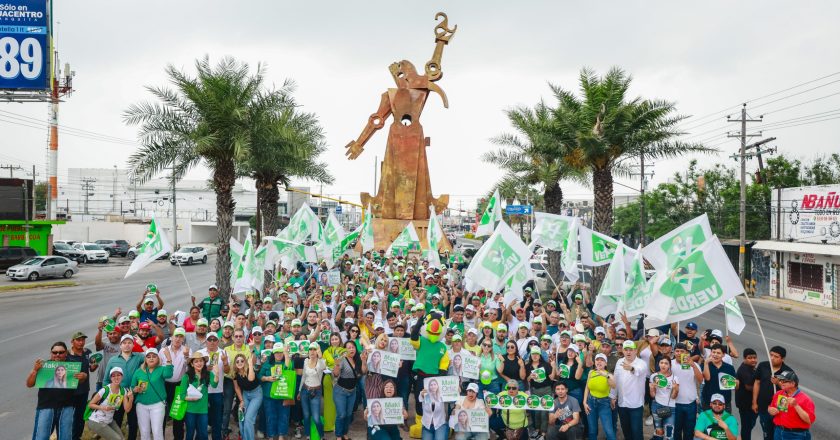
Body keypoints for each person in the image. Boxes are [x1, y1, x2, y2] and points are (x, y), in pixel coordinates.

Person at [28, 342, 76, 440]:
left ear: (66, 353)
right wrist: (35, 370)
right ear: (51, 353)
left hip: (66, 407)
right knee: (41, 437)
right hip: (46, 407)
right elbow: (29, 384)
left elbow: (81, 381)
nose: (57, 355)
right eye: (55, 352)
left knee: (66, 437)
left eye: (61, 352)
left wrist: (83, 377)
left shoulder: (72, 367)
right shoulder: (43, 366)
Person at [106, 335, 145, 440]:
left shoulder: (138, 357)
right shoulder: (113, 360)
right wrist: (107, 394)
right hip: (117, 395)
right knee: (116, 421)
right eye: (124, 343)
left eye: (129, 343)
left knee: (133, 422)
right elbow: (106, 379)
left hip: (133, 394)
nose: (127, 345)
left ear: (133, 345)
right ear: (120, 345)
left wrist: (142, 345)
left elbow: (152, 356)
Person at [130, 348, 174, 440]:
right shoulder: (139, 371)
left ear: (158, 358)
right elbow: (132, 387)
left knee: (157, 431)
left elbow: (169, 374)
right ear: (145, 359)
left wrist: (169, 358)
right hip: (141, 405)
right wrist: (135, 389)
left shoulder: (161, 369)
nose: (151, 359)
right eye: (148, 357)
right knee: (144, 431)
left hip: (157, 404)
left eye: (154, 356)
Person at [753, 346, 793, 440]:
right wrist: (754, 402)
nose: (772, 358)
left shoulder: (788, 372)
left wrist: (778, 383)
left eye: (776, 356)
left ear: (782, 358)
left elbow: (791, 391)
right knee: (767, 433)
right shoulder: (763, 366)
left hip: (779, 408)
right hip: (764, 407)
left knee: (778, 435)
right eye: (771, 355)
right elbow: (757, 383)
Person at [86, 367, 135, 440]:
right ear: (110, 378)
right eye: (113, 376)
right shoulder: (105, 390)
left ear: (122, 377)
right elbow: (90, 404)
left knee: (122, 439)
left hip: (109, 420)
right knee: (117, 439)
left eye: (118, 375)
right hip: (96, 421)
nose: (116, 378)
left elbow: (127, 409)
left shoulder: (123, 391)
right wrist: (103, 408)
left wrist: (131, 398)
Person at [767, 370, 815, 439]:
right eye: (780, 380)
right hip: (779, 431)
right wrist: (770, 410)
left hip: (796, 435)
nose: (781, 382)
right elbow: (772, 408)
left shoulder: (805, 399)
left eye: (784, 381)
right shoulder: (779, 394)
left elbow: (809, 420)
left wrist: (796, 406)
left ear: (792, 383)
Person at [614, 340, 646, 440]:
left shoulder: (641, 363)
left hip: (635, 404)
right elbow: (615, 380)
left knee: (637, 433)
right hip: (622, 403)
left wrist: (631, 368)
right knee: (626, 431)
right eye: (626, 350)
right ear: (623, 351)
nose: (628, 352)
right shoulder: (619, 362)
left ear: (636, 351)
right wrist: (612, 396)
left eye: (631, 350)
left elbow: (639, 370)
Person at [162, 328, 191, 440]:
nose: (178, 339)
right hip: (164, 386)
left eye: (181, 336)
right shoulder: (163, 350)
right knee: (162, 416)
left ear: (183, 339)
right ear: (172, 337)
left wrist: (187, 356)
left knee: (178, 417)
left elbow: (189, 369)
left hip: (179, 386)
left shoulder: (187, 350)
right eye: (176, 336)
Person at [260, 344, 293, 440]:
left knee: (284, 415)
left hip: (283, 394)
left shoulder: (287, 362)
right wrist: (267, 378)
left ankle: (281, 436)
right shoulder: (267, 363)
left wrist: (286, 353)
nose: (279, 354)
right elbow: (260, 376)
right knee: (270, 416)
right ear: (273, 353)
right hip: (269, 395)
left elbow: (288, 368)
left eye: (280, 352)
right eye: (276, 352)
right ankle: (271, 436)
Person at [671, 342, 702, 440]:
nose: (679, 353)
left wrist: (693, 365)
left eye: (682, 351)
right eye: (677, 351)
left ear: (687, 353)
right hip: (674, 403)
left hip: (690, 404)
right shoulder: (670, 364)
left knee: (689, 431)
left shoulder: (694, 365)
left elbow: (701, 380)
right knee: (676, 431)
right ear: (674, 352)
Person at [332, 340, 362, 440]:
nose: (351, 349)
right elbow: (336, 374)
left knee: (349, 415)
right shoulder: (342, 359)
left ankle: (344, 433)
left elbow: (363, 372)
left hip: (352, 391)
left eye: (353, 347)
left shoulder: (358, 359)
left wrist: (364, 360)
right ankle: (338, 436)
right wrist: (336, 364)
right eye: (348, 347)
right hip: (340, 391)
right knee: (341, 414)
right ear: (345, 349)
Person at [67, 331, 94, 440]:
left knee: (80, 416)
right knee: (68, 416)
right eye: (78, 340)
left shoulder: (88, 352)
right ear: (72, 342)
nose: (81, 342)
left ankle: (77, 436)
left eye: (83, 340)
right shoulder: (67, 355)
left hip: (83, 390)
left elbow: (91, 368)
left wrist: (93, 367)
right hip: (70, 391)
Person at [583, 353, 616, 440]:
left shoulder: (609, 375)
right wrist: (584, 402)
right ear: (594, 362)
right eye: (597, 360)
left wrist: (606, 376)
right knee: (592, 430)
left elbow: (613, 386)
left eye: (602, 360)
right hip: (590, 402)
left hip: (604, 403)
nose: (599, 362)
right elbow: (587, 388)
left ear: (606, 363)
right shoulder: (591, 372)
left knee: (608, 430)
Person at [232, 354, 262, 440]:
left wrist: (250, 364)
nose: (240, 363)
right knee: (242, 415)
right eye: (237, 361)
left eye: (242, 361)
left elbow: (251, 379)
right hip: (245, 394)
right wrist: (241, 401)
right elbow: (237, 388)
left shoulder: (249, 369)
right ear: (235, 364)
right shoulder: (235, 374)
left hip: (256, 394)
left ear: (245, 362)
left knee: (249, 418)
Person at [702, 344, 738, 412]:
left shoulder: (729, 368)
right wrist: (706, 363)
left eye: (718, 353)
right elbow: (707, 378)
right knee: (709, 422)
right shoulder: (706, 365)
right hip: (709, 402)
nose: (715, 355)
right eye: (713, 352)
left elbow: (735, 386)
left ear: (723, 355)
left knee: (724, 422)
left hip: (724, 402)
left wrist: (736, 383)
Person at [301, 344, 327, 440]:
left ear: (317, 351)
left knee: (316, 418)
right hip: (305, 390)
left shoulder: (320, 362)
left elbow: (324, 367)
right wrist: (299, 391)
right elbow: (303, 376)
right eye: (310, 349)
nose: (312, 351)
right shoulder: (305, 361)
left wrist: (320, 355)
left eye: (314, 349)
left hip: (316, 392)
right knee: (306, 416)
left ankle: (321, 436)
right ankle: (307, 436)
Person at [649, 358, 678, 440]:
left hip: (671, 408)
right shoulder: (654, 376)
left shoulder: (674, 378)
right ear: (658, 364)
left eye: (666, 363)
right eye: (661, 362)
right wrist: (651, 388)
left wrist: (676, 389)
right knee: (659, 432)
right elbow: (652, 395)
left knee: (669, 435)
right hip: (656, 406)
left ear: (670, 365)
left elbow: (673, 397)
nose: (663, 365)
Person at [736, 348, 758, 440]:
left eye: (754, 357)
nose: (753, 360)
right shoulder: (744, 369)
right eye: (750, 358)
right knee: (747, 427)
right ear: (744, 359)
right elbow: (748, 386)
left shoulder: (752, 368)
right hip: (745, 404)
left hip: (750, 403)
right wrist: (761, 389)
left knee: (749, 425)